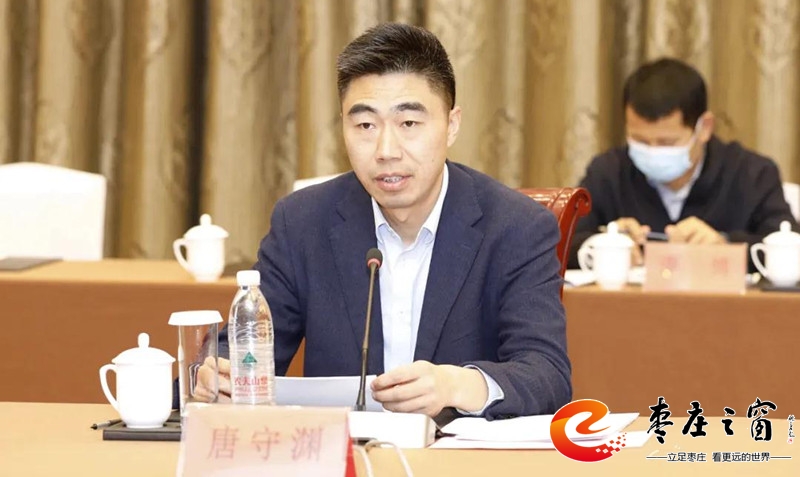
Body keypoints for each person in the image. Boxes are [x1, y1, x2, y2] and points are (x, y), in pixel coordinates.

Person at [197, 23, 571, 420]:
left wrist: (457, 385)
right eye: (365, 126)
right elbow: (243, 349)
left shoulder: (516, 227)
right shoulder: (303, 223)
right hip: (346, 451)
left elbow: (547, 375)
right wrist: (216, 377)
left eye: (409, 124)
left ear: (452, 125)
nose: (386, 150)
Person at [569, 58, 797, 268]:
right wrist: (601, 246)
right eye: (640, 141)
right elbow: (560, 247)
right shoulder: (608, 172)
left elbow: (792, 250)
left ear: (704, 128)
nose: (653, 151)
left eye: (667, 142)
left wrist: (725, 247)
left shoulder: (752, 174)